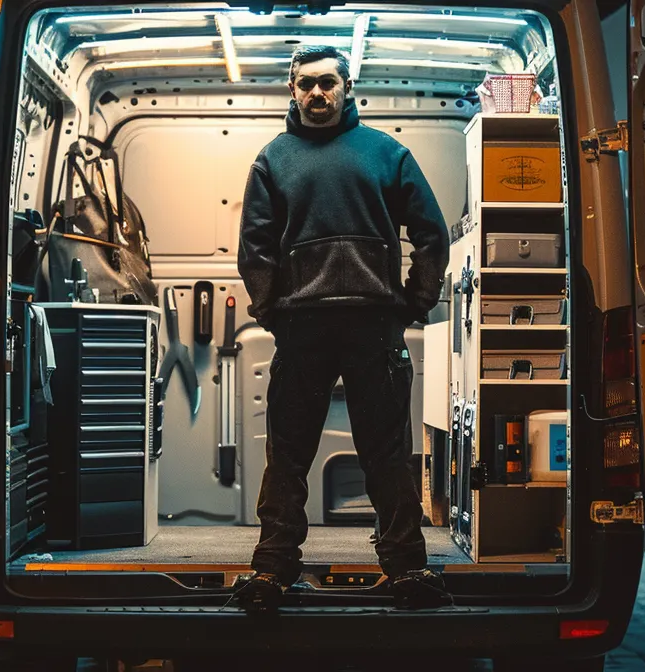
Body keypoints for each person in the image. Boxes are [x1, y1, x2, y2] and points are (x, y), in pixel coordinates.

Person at [232, 45, 452, 615]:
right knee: (289, 454)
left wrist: (416, 301)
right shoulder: (273, 159)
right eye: (306, 84)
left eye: (327, 83)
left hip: (374, 325)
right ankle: (272, 570)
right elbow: (253, 248)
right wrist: (271, 309)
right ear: (292, 89)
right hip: (301, 329)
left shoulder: (385, 153)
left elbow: (432, 233)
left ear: (347, 87)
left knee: (387, 454)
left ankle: (406, 569)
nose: (317, 94)